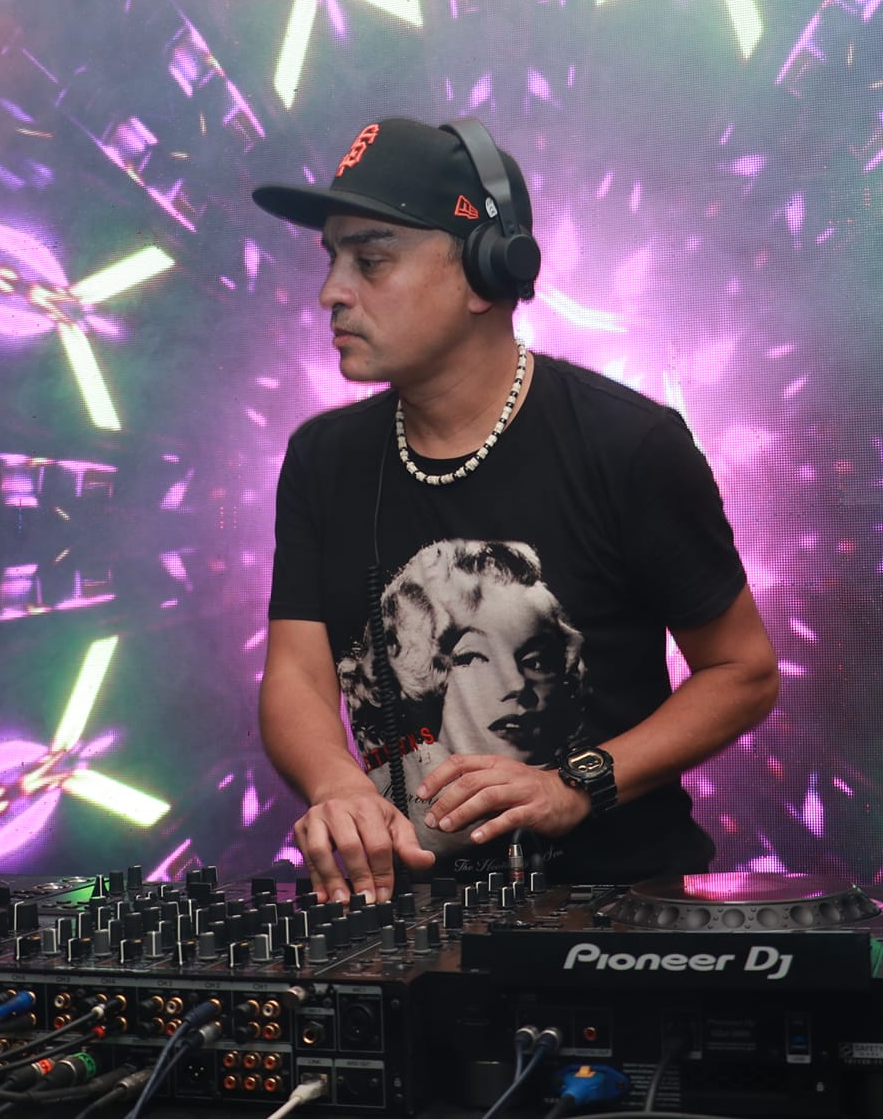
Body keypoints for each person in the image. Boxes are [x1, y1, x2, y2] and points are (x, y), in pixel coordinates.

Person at [253, 116, 778, 903]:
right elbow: (297, 670)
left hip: (621, 914)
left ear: (484, 273)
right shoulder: (321, 460)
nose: (332, 290)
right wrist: (339, 785)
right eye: (330, 258)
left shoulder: (629, 445)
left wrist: (576, 783)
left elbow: (744, 672)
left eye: (370, 260)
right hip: (407, 916)